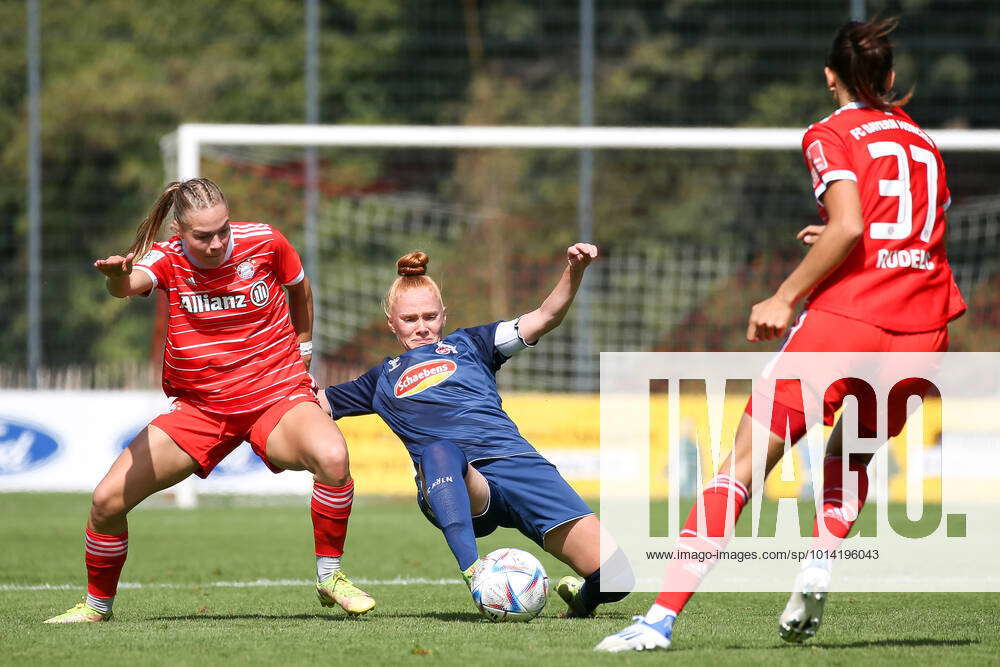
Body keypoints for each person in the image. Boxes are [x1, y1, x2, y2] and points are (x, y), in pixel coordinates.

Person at [596, 17, 966, 652]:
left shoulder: (829, 133)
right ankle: (820, 556)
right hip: (923, 330)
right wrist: (838, 240)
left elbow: (851, 225)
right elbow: (909, 235)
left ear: (830, 77)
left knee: (741, 466)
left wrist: (784, 294)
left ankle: (658, 620)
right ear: (892, 79)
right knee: (850, 453)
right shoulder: (924, 142)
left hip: (847, 320)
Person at [45, 178, 375, 623]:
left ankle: (330, 576)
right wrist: (119, 276)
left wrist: (304, 351)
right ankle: (96, 607)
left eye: (223, 229)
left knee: (334, 457)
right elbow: (127, 287)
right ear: (180, 229)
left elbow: (300, 287)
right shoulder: (167, 258)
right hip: (202, 410)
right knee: (106, 502)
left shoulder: (264, 240)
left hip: (275, 396)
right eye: (203, 235)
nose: (217, 242)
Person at [320, 244, 632, 618]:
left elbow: (545, 316)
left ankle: (579, 602)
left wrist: (574, 270)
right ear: (391, 322)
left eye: (430, 316)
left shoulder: (473, 343)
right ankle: (476, 573)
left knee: (616, 578)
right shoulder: (378, 380)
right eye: (409, 319)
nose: (422, 327)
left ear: (444, 315)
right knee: (438, 450)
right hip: (459, 483)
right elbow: (313, 404)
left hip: (519, 464)